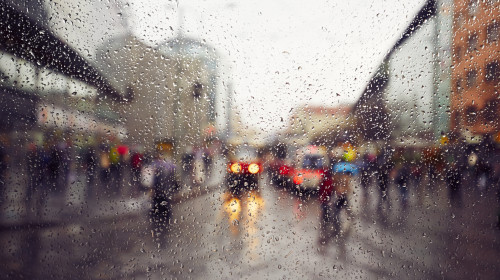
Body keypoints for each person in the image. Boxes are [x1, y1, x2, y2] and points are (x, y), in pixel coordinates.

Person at [149, 150, 180, 247]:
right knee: (165, 206)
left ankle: (158, 220)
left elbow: (153, 181)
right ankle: (165, 220)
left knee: (158, 206)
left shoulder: (155, 166)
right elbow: (172, 179)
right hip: (165, 192)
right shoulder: (167, 166)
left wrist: (152, 189)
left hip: (159, 192)